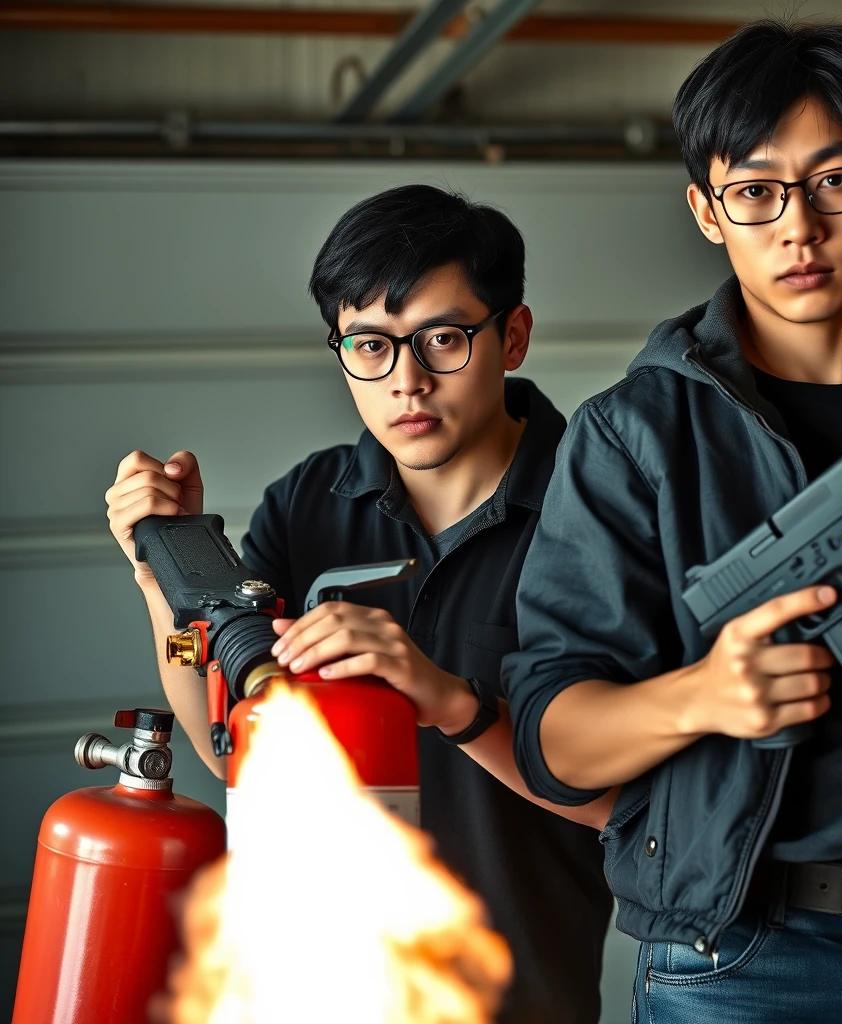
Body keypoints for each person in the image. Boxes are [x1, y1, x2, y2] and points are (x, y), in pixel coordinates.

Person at [504, 21, 842, 1024]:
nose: (799, 226)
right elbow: (550, 738)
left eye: (835, 180)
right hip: (733, 964)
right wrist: (703, 694)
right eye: (755, 192)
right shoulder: (633, 436)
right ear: (706, 210)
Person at [104, 184, 614, 1024]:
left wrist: (449, 700)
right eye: (370, 346)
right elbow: (232, 747)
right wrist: (165, 578)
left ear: (511, 336)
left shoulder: (598, 512)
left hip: (514, 996)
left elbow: (632, 805)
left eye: (442, 340)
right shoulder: (308, 504)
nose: (406, 382)